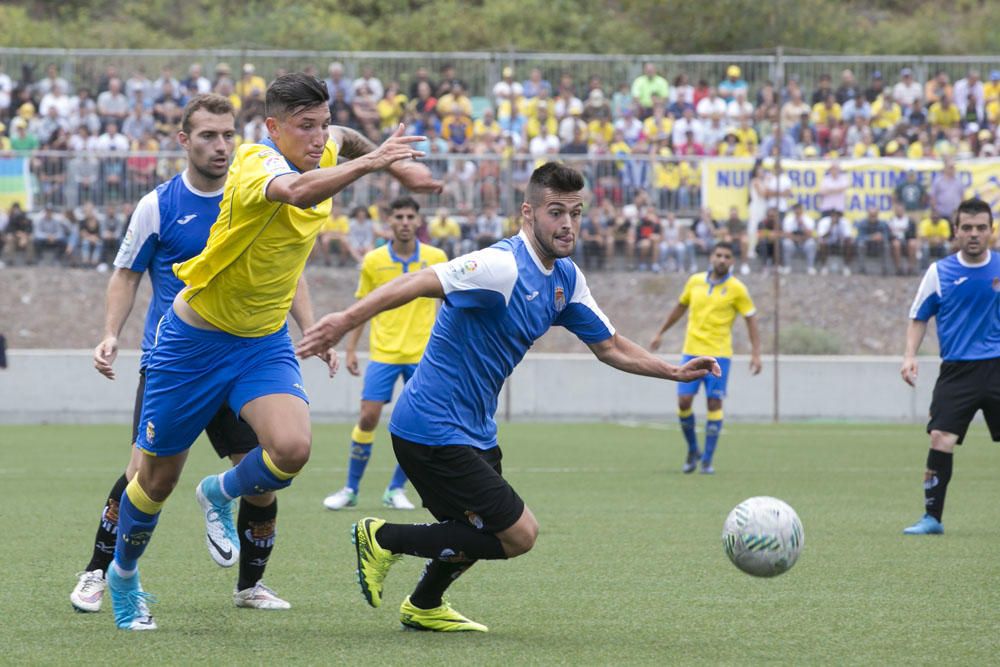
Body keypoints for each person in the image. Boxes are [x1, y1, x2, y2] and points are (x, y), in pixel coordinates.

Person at [296, 163, 719, 632]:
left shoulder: (566, 279)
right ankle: (382, 536)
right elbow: (415, 282)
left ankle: (424, 605)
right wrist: (344, 321)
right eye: (556, 212)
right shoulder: (500, 267)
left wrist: (674, 371)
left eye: (576, 213)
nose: (568, 225)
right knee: (519, 534)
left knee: (479, 530)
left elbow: (611, 346)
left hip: (473, 430)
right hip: (430, 429)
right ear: (528, 213)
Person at [103, 73, 440, 631]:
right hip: (192, 341)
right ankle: (123, 576)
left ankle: (218, 493)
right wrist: (379, 163)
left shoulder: (324, 143)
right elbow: (298, 191)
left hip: (261, 341)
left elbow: (347, 138)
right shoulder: (256, 162)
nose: (318, 136)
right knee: (155, 480)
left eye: (322, 123)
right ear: (272, 128)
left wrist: (394, 163)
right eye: (305, 126)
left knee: (291, 447)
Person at [73, 94, 330, 616]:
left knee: (262, 470)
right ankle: (99, 573)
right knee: (146, 475)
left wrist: (311, 328)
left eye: (229, 134)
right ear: (184, 141)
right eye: (209, 136)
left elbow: (288, 269)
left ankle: (249, 585)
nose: (221, 146)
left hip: (250, 350)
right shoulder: (159, 205)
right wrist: (110, 333)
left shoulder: (255, 188)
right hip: (179, 356)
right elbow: (125, 273)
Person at [322, 196, 448, 512]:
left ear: (419, 222)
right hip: (383, 353)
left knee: (419, 423)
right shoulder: (374, 261)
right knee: (368, 417)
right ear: (389, 222)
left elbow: (448, 305)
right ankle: (350, 489)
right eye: (399, 217)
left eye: (410, 217)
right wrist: (351, 349)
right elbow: (362, 307)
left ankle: (396, 489)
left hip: (423, 355)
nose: (405, 222)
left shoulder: (436, 257)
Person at [900, 199, 1000, 535]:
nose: (974, 234)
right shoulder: (939, 272)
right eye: (967, 228)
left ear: (990, 230)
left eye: (981, 227)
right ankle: (932, 518)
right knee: (940, 438)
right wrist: (909, 355)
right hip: (957, 370)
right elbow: (919, 316)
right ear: (955, 231)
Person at [648, 242, 761, 474]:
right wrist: (660, 332)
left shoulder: (737, 289)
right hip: (691, 350)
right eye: (718, 255)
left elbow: (751, 318)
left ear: (732, 261)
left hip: (720, 354)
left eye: (727, 256)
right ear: (711, 256)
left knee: (714, 403)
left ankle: (707, 460)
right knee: (683, 402)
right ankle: (692, 450)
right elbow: (680, 307)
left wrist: (756, 353)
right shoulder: (695, 281)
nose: (721, 259)